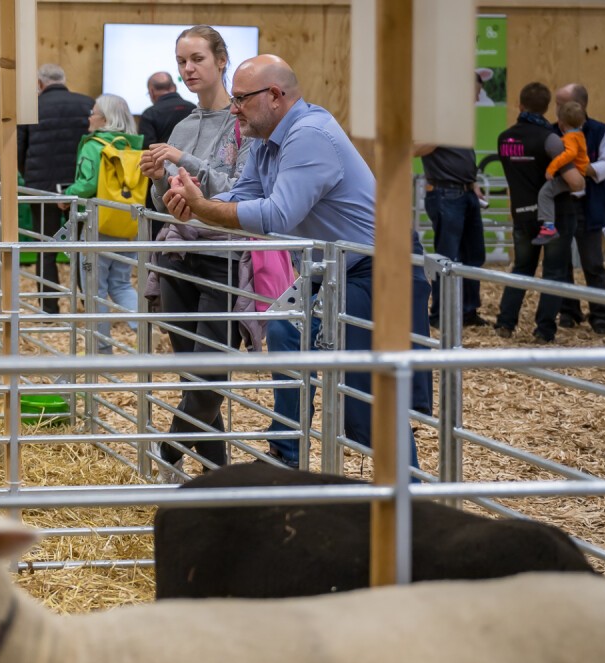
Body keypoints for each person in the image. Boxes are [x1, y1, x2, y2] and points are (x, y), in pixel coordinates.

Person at [162, 54, 432, 472]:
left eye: (241, 99)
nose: (233, 109)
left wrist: (205, 210)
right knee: (286, 331)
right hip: (330, 264)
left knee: (366, 392)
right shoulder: (266, 143)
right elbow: (244, 195)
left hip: (378, 265)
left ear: (274, 96)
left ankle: (407, 494)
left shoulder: (308, 135)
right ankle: (287, 452)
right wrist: (197, 201)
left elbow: (276, 216)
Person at [138, 26, 252, 478]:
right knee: (195, 376)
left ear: (222, 60)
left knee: (209, 377)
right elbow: (160, 205)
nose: (188, 69)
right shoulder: (183, 124)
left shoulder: (243, 124)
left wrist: (185, 161)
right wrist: (154, 177)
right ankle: (217, 478)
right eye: (182, 60)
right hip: (177, 256)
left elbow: (241, 191)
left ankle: (166, 454)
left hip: (224, 257)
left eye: (198, 59)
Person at [493, 82, 582, 344]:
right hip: (554, 217)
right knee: (554, 273)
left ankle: (505, 323)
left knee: (521, 268)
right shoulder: (550, 139)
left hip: (522, 213)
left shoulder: (504, 138)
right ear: (548, 109)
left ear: (520, 105)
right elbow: (575, 182)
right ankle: (544, 330)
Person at [58, 94, 144, 354]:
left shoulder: (93, 146)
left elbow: (86, 185)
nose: (90, 117)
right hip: (126, 225)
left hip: (98, 225)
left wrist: (66, 196)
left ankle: (102, 350)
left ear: (105, 119)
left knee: (94, 290)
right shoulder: (132, 146)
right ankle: (145, 327)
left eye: (93, 112)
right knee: (121, 284)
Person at [17, 64, 94, 314]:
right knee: (84, 248)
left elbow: (19, 149)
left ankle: (49, 309)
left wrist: (30, 177)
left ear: (39, 84)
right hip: (82, 188)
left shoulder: (30, 107)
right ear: (64, 79)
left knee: (46, 248)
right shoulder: (87, 103)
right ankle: (89, 305)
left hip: (44, 189)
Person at [415, 72, 489, 329]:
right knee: (448, 257)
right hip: (446, 194)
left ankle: (468, 311)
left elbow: (462, 156)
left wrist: (473, 182)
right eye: (475, 91)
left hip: (465, 192)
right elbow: (415, 147)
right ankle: (441, 313)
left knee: (473, 254)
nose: (477, 96)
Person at [553, 83, 605, 335]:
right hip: (561, 203)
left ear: (581, 105)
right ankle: (569, 311)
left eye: (560, 104)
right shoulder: (551, 130)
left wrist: (579, 167)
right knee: (561, 262)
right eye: (556, 104)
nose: (556, 110)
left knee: (593, 263)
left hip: (589, 204)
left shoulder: (601, 131)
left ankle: (600, 315)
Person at [138, 72, 195, 246]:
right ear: (174, 87)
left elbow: (147, 151)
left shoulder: (150, 113)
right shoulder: (192, 109)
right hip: (193, 179)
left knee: (158, 225)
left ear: (152, 91)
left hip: (162, 181)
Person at [533, 100, 589, 246]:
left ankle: (549, 227)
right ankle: (548, 225)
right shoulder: (578, 135)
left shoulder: (571, 137)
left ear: (561, 123)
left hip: (575, 175)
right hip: (581, 174)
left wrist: (552, 167)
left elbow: (570, 154)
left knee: (545, 192)